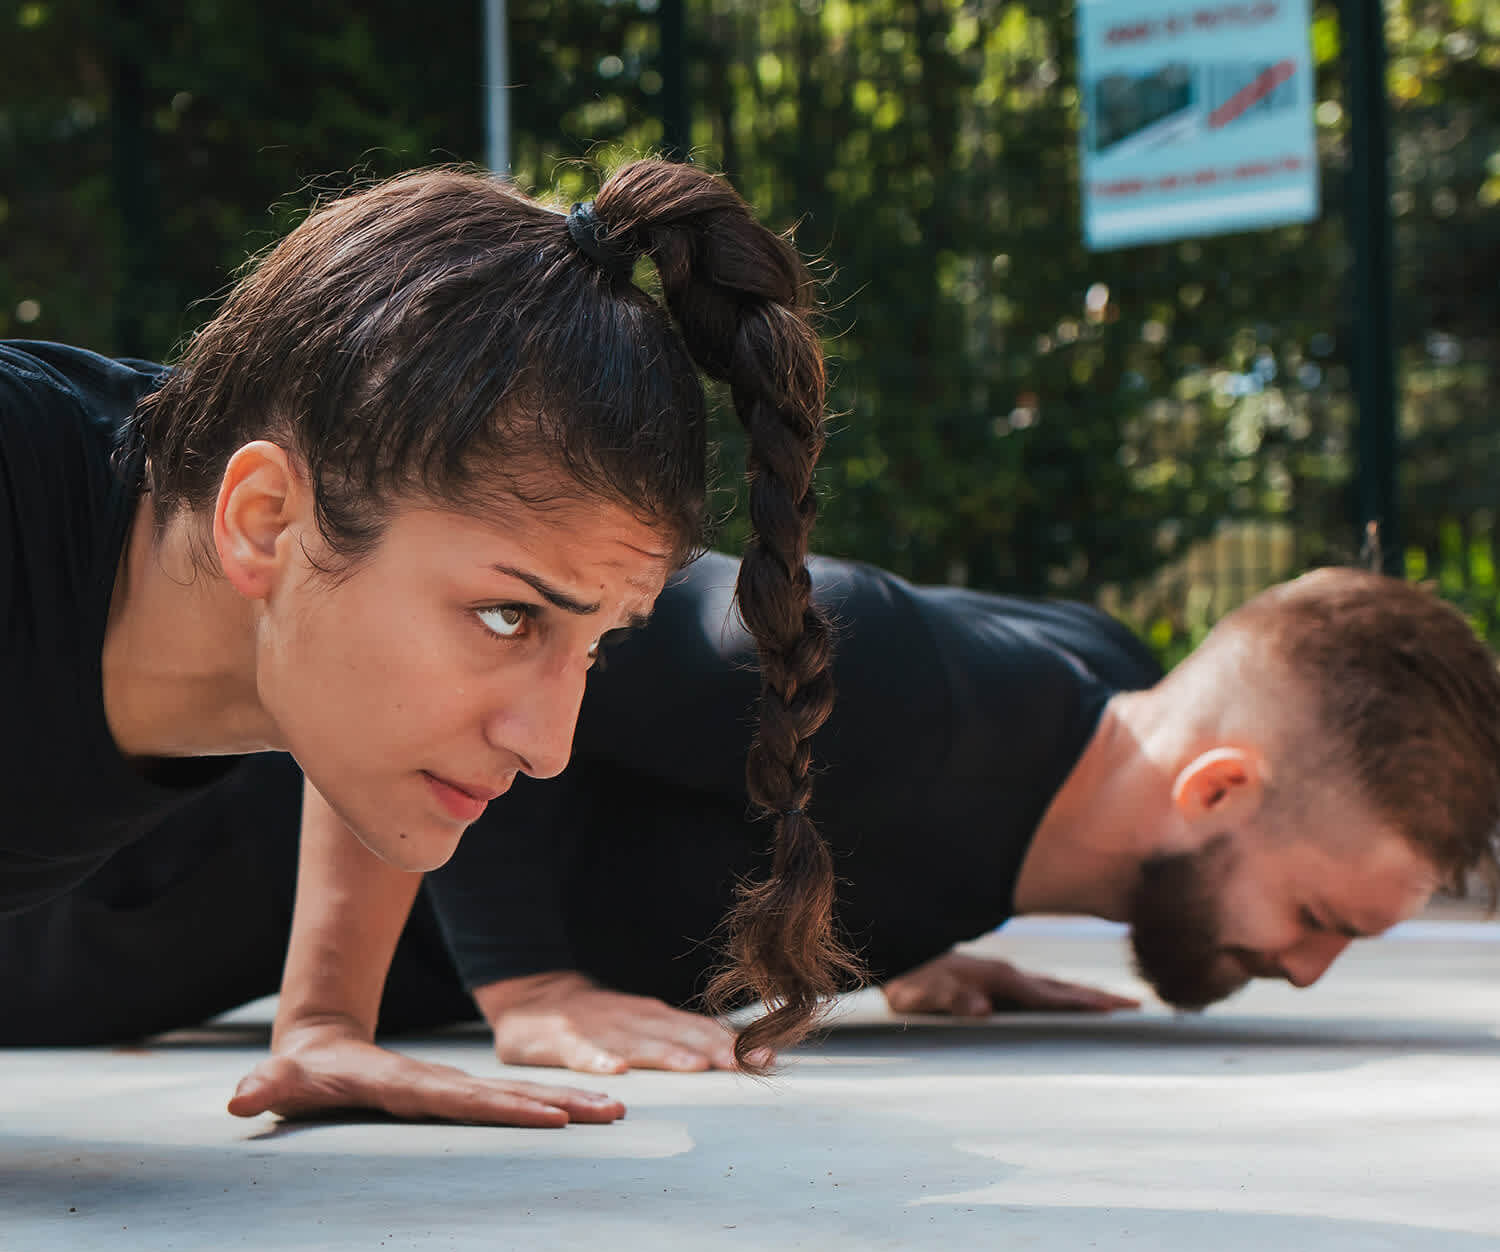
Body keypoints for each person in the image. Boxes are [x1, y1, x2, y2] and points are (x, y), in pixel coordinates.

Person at [0, 160, 859, 1124]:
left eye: (594, 646)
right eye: (508, 616)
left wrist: (326, 1021)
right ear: (261, 519)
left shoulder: (274, 498)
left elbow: (356, 602)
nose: (549, 748)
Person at [417, 551, 1500, 1074]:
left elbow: (908, 811)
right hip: (266, 874)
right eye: (1319, 917)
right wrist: (529, 984)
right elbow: (501, 645)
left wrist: (875, 942)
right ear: (1216, 786)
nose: (1307, 971)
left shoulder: (1102, 672)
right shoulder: (860, 665)